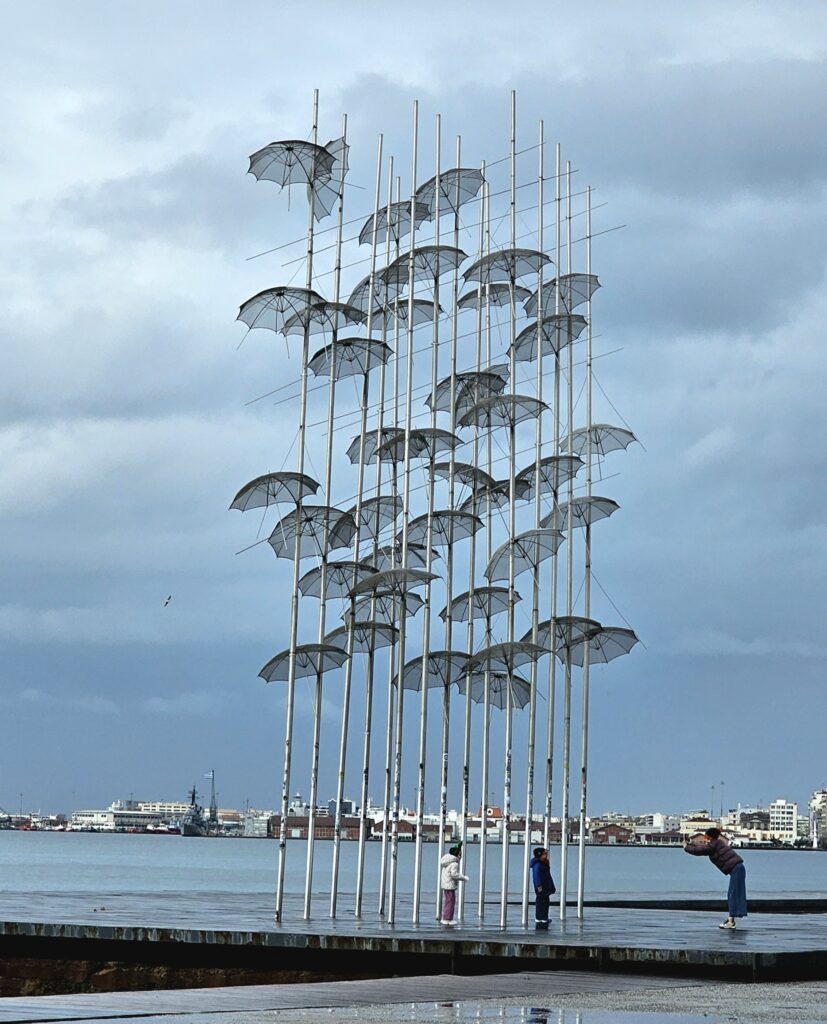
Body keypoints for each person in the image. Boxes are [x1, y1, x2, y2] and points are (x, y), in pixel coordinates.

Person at [684, 827, 747, 928]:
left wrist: (686, 847)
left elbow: (699, 850)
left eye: (705, 835)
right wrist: (690, 845)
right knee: (734, 894)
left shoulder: (713, 845)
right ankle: (732, 919)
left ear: (708, 836)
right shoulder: (717, 843)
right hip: (738, 868)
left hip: (736, 869)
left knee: (733, 895)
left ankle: (731, 922)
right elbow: (702, 847)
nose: (704, 837)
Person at [439, 844, 469, 925]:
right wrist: (463, 878)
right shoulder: (454, 863)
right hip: (450, 885)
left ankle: (446, 918)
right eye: (460, 854)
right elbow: (454, 874)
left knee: (448, 901)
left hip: (445, 884)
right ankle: (447, 919)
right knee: (450, 902)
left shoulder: (446, 862)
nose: (461, 856)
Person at [530, 846, 556, 929]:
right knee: (541, 901)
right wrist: (539, 886)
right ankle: (540, 917)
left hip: (545, 885)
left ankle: (543, 917)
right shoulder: (538, 865)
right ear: (540, 855)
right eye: (544, 854)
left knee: (545, 901)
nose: (546, 856)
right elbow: (536, 876)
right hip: (541, 886)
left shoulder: (543, 863)